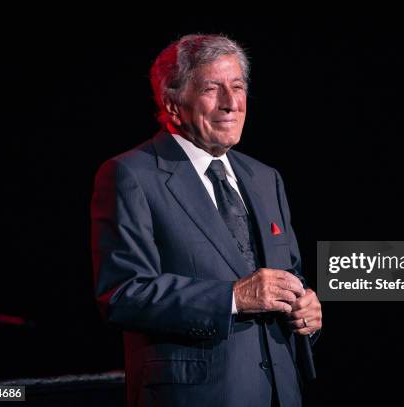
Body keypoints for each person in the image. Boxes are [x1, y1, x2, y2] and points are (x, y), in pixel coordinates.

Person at [91, 34, 321, 407]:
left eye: (238, 87)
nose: (231, 104)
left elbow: (290, 274)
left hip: (280, 394)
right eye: (212, 89)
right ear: (173, 103)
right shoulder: (130, 175)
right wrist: (232, 298)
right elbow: (122, 294)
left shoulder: (266, 178)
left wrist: (305, 306)